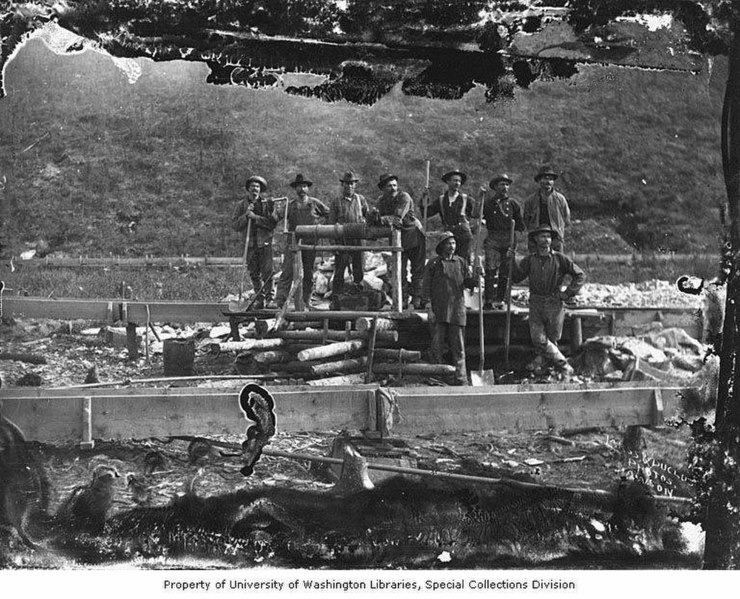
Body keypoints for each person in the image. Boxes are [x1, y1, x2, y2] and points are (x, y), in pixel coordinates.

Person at [510, 225, 585, 375]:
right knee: (539, 339)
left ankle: (544, 371)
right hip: (536, 303)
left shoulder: (559, 259)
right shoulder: (530, 260)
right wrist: (511, 261)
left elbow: (580, 275)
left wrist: (567, 293)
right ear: (536, 239)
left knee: (552, 340)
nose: (546, 240)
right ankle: (565, 367)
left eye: (549, 237)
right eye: (542, 236)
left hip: (554, 303)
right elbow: (517, 277)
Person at [421, 231, 479, 385]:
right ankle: (437, 377)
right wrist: (429, 308)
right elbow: (425, 287)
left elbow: (468, 283)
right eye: (448, 243)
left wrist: (477, 277)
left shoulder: (461, 262)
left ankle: (461, 378)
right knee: (437, 346)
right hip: (438, 309)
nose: (452, 246)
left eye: (453, 243)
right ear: (442, 246)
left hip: (457, 310)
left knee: (458, 347)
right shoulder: (433, 264)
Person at [275, 174, 330, 310]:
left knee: (308, 273)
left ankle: (306, 301)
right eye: (299, 186)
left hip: (310, 243)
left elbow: (330, 214)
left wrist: (321, 227)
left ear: (308, 189)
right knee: (287, 271)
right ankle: (280, 302)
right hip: (293, 243)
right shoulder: (290, 206)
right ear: (295, 189)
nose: (302, 189)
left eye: (304, 186)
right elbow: (277, 217)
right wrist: (273, 209)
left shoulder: (315, 204)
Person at [375, 173, 426, 309]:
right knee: (399, 271)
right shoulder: (381, 201)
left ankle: (417, 299)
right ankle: (402, 299)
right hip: (397, 240)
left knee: (417, 270)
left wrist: (382, 219)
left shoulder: (404, 197)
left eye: (394, 185)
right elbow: (376, 219)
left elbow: (397, 218)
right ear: (383, 188)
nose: (393, 188)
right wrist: (377, 218)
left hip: (414, 236)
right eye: (389, 186)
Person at [232, 174, 278, 309]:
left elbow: (272, 223)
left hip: (265, 243)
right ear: (248, 189)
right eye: (252, 186)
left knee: (268, 272)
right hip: (250, 245)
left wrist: (256, 217)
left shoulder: (267, 204)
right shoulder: (241, 205)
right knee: (254, 273)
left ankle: (270, 299)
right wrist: (246, 216)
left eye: (257, 187)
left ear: (260, 189)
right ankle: (260, 299)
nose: (255, 189)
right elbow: (235, 225)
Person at [482, 173, 525, 309]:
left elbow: (520, 225)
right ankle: (488, 301)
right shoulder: (488, 203)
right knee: (490, 270)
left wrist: (514, 244)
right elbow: (477, 214)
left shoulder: (513, 204)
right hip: (493, 239)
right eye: (502, 184)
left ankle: (500, 300)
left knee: (505, 272)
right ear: (495, 187)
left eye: (507, 184)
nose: (505, 187)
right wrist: (480, 198)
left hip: (509, 239)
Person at [327, 171, 369, 300]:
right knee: (340, 269)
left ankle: (358, 297)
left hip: (358, 240)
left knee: (359, 269)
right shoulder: (336, 202)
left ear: (355, 185)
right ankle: (336, 297)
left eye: (352, 184)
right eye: (346, 184)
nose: (349, 186)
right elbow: (330, 224)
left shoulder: (360, 200)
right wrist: (333, 244)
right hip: (342, 241)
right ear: (342, 185)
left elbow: (368, 217)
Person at [422, 168, 477, 262]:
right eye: (455, 180)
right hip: (448, 235)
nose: (457, 183)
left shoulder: (466, 199)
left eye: (459, 181)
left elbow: (476, 214)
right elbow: (426, 213)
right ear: (448, 182)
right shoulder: (441, 200)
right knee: (448, 261)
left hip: (463, 235)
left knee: (464, 262)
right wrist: (424, 198)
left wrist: (480, 197)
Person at [523, 165, 571, 253]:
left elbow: (566, 218)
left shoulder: (560, 199)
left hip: (555, 237)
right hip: (536, 237)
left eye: (550, 179)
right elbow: (526, 219)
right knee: (535, 262)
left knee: (557, 263)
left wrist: (560, 232)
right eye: (545, 178)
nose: (548, 181)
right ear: (539, 181)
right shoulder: (531, 200)